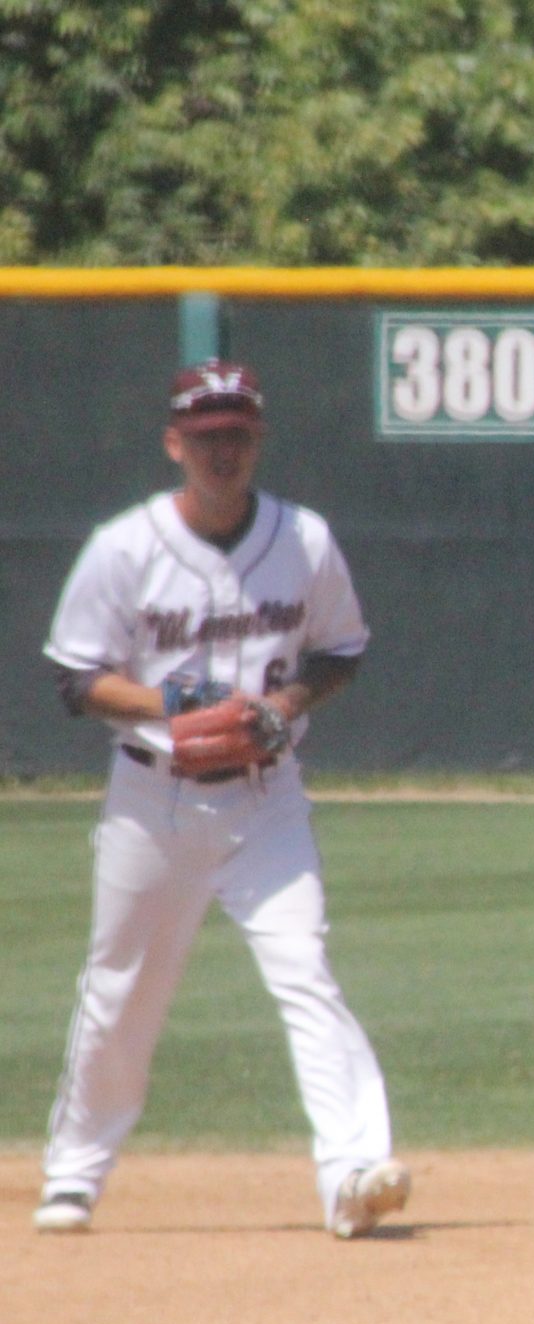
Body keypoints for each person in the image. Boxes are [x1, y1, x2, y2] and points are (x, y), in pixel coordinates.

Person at [35, 359, 410, 1240]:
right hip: (151, 798)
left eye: (237, 432)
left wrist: (281, 708)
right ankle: (75, 1174)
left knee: (305, 973)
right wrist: (174, 704)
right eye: (205, 435)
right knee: (121, 988)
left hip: (265, 798)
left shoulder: (304, 539)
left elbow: (340, 652)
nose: (223, 449)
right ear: (174, 443)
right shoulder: (123, 546)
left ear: (258, 440)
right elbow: (77, 680)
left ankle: (353, 1172)